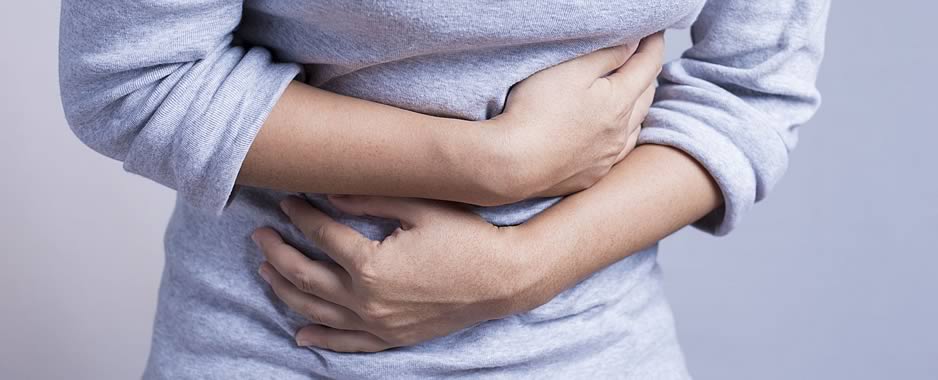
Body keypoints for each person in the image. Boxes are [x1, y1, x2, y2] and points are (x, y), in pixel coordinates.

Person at [58, 0, 829, 378]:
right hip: (281, 344)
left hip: (597, 351)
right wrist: (498, 162)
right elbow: (135, 78)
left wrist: (523, 268)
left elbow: (753, 88)